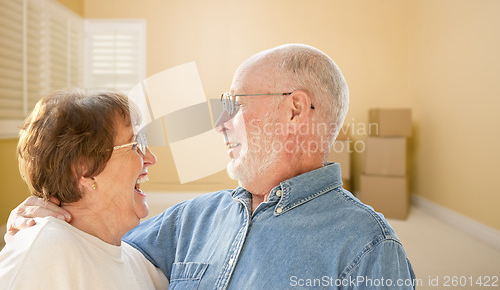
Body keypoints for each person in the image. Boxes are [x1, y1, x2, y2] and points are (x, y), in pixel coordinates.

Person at [7, 44, 415, 289]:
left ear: (293, 110)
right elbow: (101, 251)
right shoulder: (192, 220)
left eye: (234, 105)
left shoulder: (369, 249)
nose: (220, 124)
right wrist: (46, 214)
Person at [0, 89, 169, 289]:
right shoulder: (45, 250)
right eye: (135, 145)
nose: (151, 158)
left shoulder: (140, 264)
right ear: (85, 169)